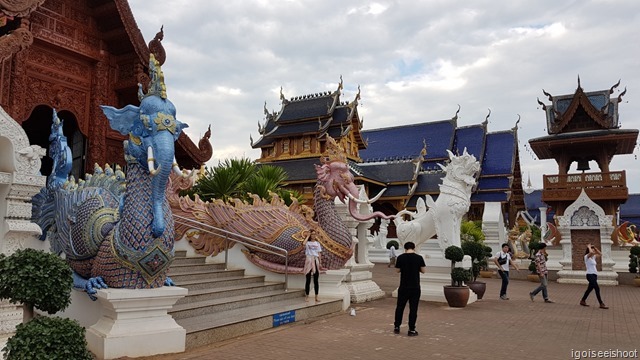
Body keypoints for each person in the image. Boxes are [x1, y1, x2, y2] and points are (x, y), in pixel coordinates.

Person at [394, 241, 426, 337]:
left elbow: (397, 270)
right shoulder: (419, 258)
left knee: (400, 307)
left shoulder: (400, 257)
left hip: (403, 286)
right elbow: (423, 270)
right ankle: (411, 329)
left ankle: (397, 326)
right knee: (413, 308)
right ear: (414, 248)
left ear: (405, 248)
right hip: (415, 286)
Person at [580, 244, 608, 309]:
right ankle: (601, 303)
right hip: (590, 275)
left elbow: (601, 254)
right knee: (597, 288)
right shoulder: (586, 257)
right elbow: (591, 253)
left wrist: (595, 248)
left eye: (593, 249)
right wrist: (589, 247)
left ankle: (583, 300)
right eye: (592, 249)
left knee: (589, 289)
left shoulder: (593, 257)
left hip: (594, 275)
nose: (593, 251)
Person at [303, 230, 322, 302]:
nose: (313, 235)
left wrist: (320, 262)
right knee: (308, 279)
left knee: (316, 280)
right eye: (312, 234)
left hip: (315, 260)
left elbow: (319, 253)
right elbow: (303, 244)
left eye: (314, 234)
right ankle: (307, 296)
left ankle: (316, 296)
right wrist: (307, 235)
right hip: (309, 260)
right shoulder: (307, 243)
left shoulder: (317, 243)